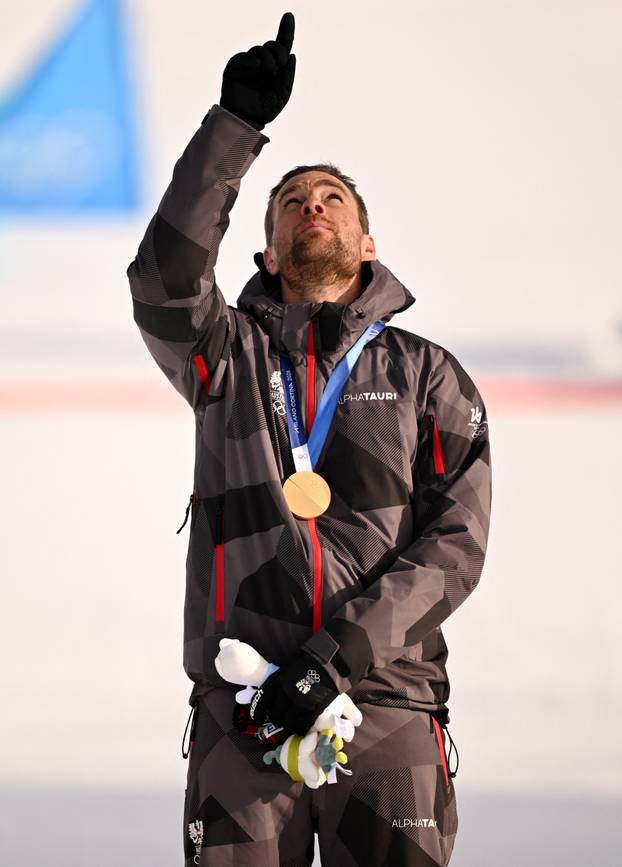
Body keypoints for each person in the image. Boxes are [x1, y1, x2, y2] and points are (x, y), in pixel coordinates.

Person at [127, 12, 492, 866]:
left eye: (331, 198)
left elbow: (455, 546)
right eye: (292, 201)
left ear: (369, 243)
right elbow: (163, 281)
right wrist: (233, 129)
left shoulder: (428, 375)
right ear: (267, 247)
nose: (310, 206)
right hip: (245, 710)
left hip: (388, 705)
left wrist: (334, 659)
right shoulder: (225, 356)